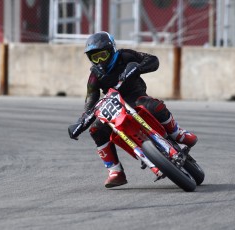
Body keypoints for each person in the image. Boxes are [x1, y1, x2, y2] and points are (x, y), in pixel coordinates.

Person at [68, 31, 197, 188]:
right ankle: (115, 171)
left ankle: (177, 133)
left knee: (152, 106)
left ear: (111, 50)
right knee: (96, 129)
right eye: (95, 57)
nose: (100, 61)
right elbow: (91, 100)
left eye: (102, 55)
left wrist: (139, 68)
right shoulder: (94, 76)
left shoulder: (125, 56)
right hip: (115, 107)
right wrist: (81, 121)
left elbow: (153, 60)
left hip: (136, 97)